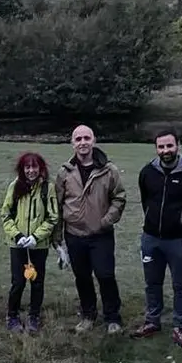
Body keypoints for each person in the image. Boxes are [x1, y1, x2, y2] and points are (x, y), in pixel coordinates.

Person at [130, 130, 182, 348]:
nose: (165, 151)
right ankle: (152, 321)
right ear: (156, 149)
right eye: (161, 147)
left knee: (181, 285)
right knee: (152, 283)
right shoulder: (147, 172)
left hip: (179, 240)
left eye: (169, 146)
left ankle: (180, 326)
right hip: (151, 238)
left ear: (178, 145)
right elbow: (145, 198)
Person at [52, 124, 127, 335]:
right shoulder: (64, 172)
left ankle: (113, 317)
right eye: (78, 139)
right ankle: (88, 315)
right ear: (72, 143)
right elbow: (57, 205)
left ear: (93, 140)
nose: (83, 142)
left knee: (105, 275)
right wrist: (57, 238)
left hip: (100, 235)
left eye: (87, 138)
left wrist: (106, 220)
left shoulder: (108, 170)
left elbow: (119, 198)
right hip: (74, 235)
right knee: (82, 277)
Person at [0, 152, 60, 334]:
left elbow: (53, 216)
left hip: (38, 246)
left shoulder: (47, 189)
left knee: (37, 281)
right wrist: (17, 235)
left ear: (41, 168)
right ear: (22, 169)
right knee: (18, 281)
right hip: (17, 245)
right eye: (27, 167)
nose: (31, 171)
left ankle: (34, 315)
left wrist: (36, 237)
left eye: (35, 167)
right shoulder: (14, 187)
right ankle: (12, 315)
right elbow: (6, 214)